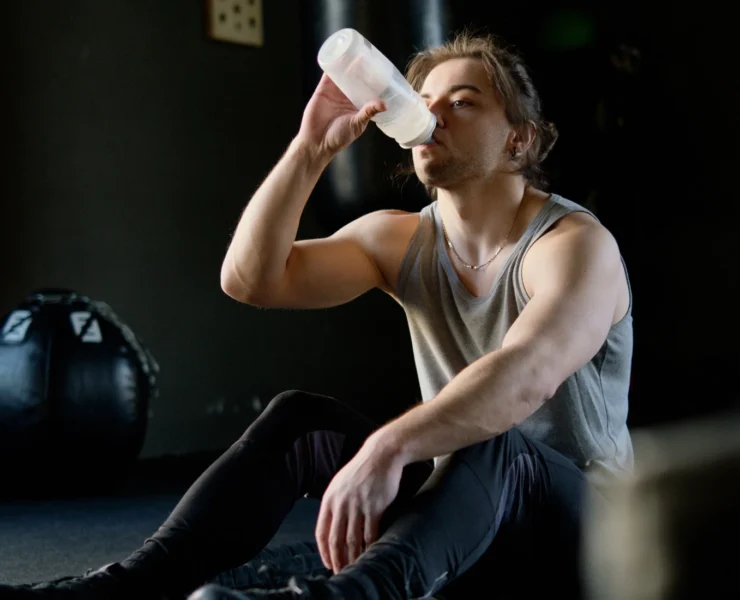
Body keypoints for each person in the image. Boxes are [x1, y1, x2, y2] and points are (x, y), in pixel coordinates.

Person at [0, 30, 634, 600]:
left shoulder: (573, 245)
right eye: (425, 99)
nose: (432, 114)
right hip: (465, 515)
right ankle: (124, 590)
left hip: (591, 541)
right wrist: (310, 149)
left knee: (495, 442)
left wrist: (388, 446)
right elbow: (251, 279)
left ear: (518, 139)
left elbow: (525, 377)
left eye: (462, 102)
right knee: (299, 420)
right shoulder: (401, 238)